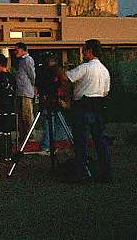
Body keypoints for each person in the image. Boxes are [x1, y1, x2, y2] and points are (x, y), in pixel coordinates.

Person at [65, 39, 112, 183]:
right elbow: (105, 92)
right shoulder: (104, 70)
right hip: (97, 105)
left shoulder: (85, 68)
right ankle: (105, 172)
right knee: (100, 140)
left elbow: (67, 77)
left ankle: (82, 173)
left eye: (84, 49)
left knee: (81, 141)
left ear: (90, 51)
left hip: (82, 105)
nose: (83, 52)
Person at [35, 56, 70, 153]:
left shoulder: (50, 74)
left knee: (50, 124)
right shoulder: (54, 73)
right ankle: (48, 145)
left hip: (51, 100)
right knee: (52, 124)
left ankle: (47, 145)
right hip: (52, 100)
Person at [13, 42, 36, 142]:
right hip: (21, 91)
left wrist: (34, 86)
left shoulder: (27, 60)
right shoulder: (21, 61)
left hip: (26, 91)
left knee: (27, 114)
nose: (15, 52)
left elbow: (32, 74)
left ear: (23, 50)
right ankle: (23, 135)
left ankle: (30, 135)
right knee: (21, 115)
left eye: (17, 50)